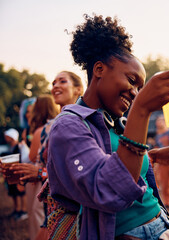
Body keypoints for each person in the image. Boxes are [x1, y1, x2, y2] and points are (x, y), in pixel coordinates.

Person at [46, 14, 169, 239]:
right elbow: (106, 190)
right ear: (99, 69)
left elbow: (112, 159)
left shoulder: (117, 123)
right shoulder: (68, 125)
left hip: (164, 225)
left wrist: (150, 157)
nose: (135, 93)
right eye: (132, 80)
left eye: (140, 88)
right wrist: (141, 109)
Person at [10, 71, 84, 239]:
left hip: (74, 209)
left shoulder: (85, 122)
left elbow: (80, 170)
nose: (55, 86)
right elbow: (47, 166)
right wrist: (27, 173)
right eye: (53, 83)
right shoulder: (47, 128)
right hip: (51, 206)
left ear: (78, 89)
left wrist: (40, 173)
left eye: (62, 81)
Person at [27, 94, 59, 240]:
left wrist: (39, 171)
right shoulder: (54, 125)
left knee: (38, 217)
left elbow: (32, 157)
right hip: (48, 182)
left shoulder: (42, 131)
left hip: (42, 182)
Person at [1, 128, 29, 221]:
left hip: (19, 173)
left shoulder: (19, 147)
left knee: (21, 192)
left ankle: (23, 211)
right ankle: (17, 209)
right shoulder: (9, 147)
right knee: (14, 192)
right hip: (11, 173)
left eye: (7, 136)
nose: (5, 138)